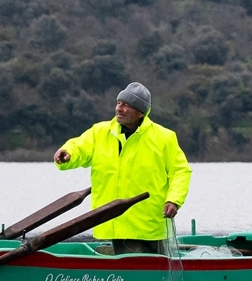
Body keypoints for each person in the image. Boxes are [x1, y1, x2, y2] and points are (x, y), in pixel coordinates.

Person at [53, 82, 191, 255]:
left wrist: (174, 200)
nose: (120, 108)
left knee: (155, 271)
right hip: (117, 222)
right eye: (119, 103)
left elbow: (180, 171)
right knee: (139, 271)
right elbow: (78, 147)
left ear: (141, 112)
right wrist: (67, 154)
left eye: (127, 105)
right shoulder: (100, 132)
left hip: (153, 222)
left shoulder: (164, 137)